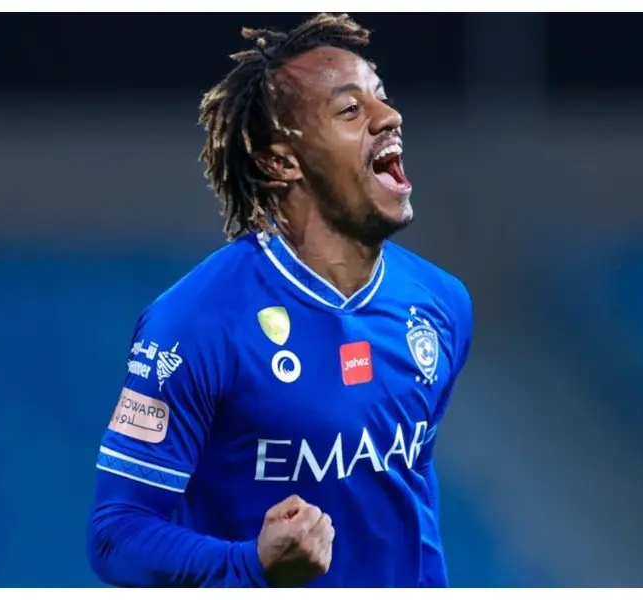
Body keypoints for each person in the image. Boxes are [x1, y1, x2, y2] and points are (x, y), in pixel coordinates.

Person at [85, 13, 473, 588]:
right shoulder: (194, 324)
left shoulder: (441, 304)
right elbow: (114, 534)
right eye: (351, 109)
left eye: (382, 96)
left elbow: (408, 499)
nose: (389, 117)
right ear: (280, 160)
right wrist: (252, 564)